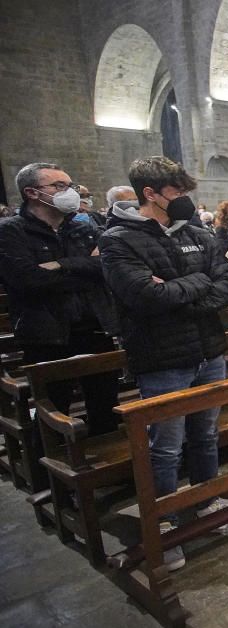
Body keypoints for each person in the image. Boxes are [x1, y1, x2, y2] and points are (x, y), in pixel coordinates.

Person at [99, 156, 228, 569]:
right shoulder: (118, 240)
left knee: (205, 434)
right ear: (151, 194)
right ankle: (163, 521)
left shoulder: (198, 233)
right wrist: (197, 286)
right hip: (163, 358)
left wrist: (182, 289)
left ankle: (204, 501)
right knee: (165, 446)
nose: (184, 198)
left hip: (208, 350)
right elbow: (147, 298)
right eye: (177, 191)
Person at [0, 163, 120, 440]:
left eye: (70, 185)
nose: (70, 192)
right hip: (46, 334)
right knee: (54, 408)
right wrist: (84, 267)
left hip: (94, 327)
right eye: (58, 186)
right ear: (32, 192)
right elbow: (29, 281)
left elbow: (106, 267)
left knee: (105, 405)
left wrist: (59, 264)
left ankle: (107, 463)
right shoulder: (11, 232)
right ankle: (58, 473)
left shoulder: (83, 228)